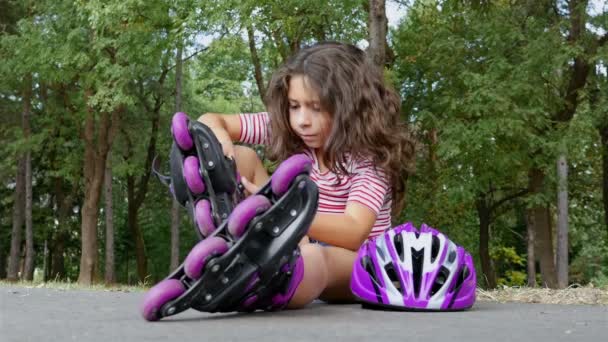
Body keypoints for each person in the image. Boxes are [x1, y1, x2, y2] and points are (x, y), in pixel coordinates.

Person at [197, 41, 415, 308]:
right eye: (294, 106)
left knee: (314, 257)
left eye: (316, 107)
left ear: (350, 108)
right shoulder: (294, 133)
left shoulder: (368, 159)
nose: (302, 120)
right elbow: (210, 120)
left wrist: (279, 211)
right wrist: (221, 141)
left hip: (356, 263)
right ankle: (232, 245)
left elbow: (353, 231)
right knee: (239, 157)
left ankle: (260, 287)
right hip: (300, 242)